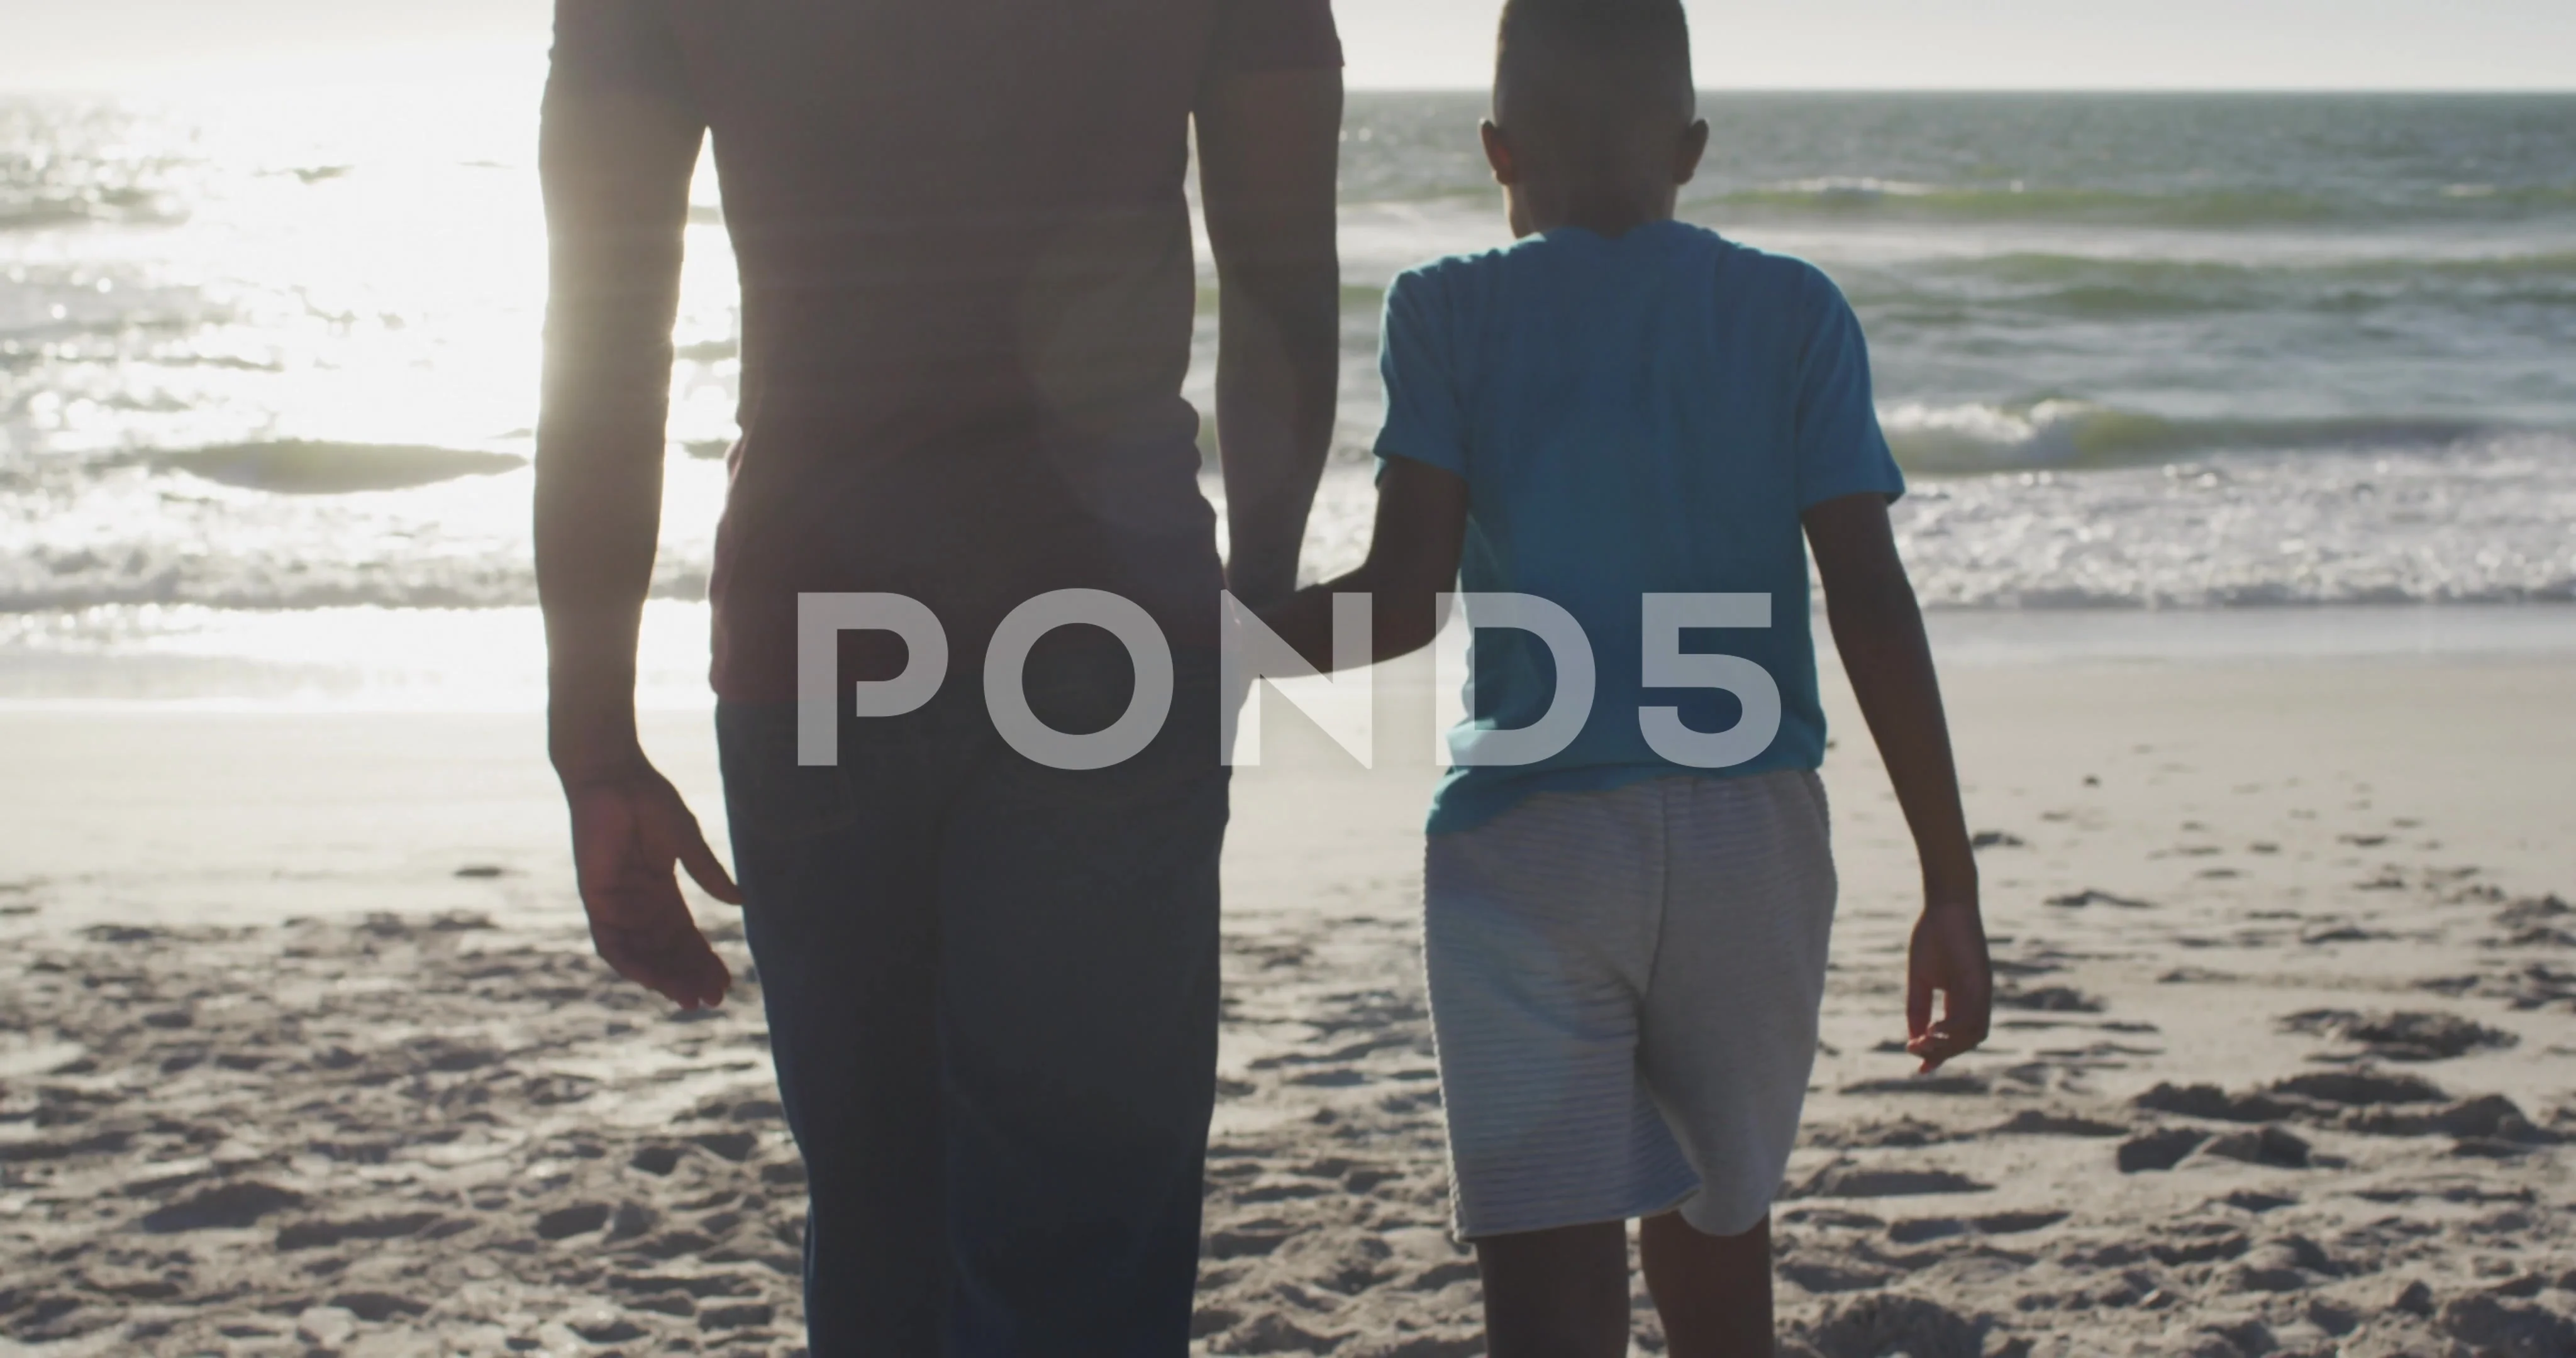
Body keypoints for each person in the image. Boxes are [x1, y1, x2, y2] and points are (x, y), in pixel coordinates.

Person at [531, 1, 1342, 1352]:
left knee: (882, 1216)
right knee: (1083, 1232)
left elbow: (604, 336)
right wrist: (1250, 598)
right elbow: (1279, 283)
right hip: (1111, 635)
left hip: (820, 627)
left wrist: (596, 744)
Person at [1255, 1, 1992, 1352]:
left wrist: (1213, 644)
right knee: (1718, 1240)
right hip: (1749, 834)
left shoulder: (1446, 309)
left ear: (1493, 148)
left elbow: (1400, 606)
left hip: (1529, 845)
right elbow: (1871, 603)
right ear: (1692, 146)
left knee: (1548, 1275)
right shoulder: (1790, 311)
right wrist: (1947, 881)